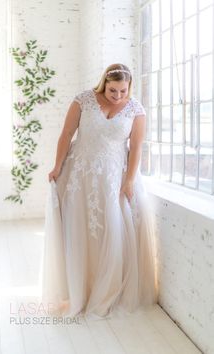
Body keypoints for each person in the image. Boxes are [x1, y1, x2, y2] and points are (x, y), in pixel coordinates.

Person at [40, 63, 158, 318]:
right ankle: (81, 288)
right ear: (104, 82)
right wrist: (57, 166)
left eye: (122, 91)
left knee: (111, 230)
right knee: (81, 228)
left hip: (115, 177)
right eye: (112, 90)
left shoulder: (136, 109)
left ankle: (107, 289)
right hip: (80, 174)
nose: (117, 96)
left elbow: (136, 147)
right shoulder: (83, 100)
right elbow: (66, 134)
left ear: (130, 87)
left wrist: (129, 181)